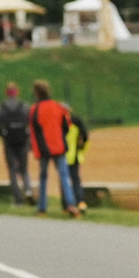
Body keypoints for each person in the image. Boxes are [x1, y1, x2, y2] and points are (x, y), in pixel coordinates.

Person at [28, 80, 78, 217]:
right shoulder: (58, 107)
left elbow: (34, 132)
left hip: (43, 149)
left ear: (36, 92)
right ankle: (71, 204)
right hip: (59, 146)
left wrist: (36, 150)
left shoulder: (35, 109)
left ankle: (42, 208)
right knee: (64, 175)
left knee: (43, 177)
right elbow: (66, 126)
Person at [0, 82, 33, 204]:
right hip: (23, 140)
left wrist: (4, 135)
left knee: (12, 170)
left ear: (6, 92)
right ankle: (28, 190)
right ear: (17, 92)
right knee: (24, 169)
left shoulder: (2, 107)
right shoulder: (24, 106)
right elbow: (30, 123)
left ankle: (18, 198)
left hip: (9, 141)